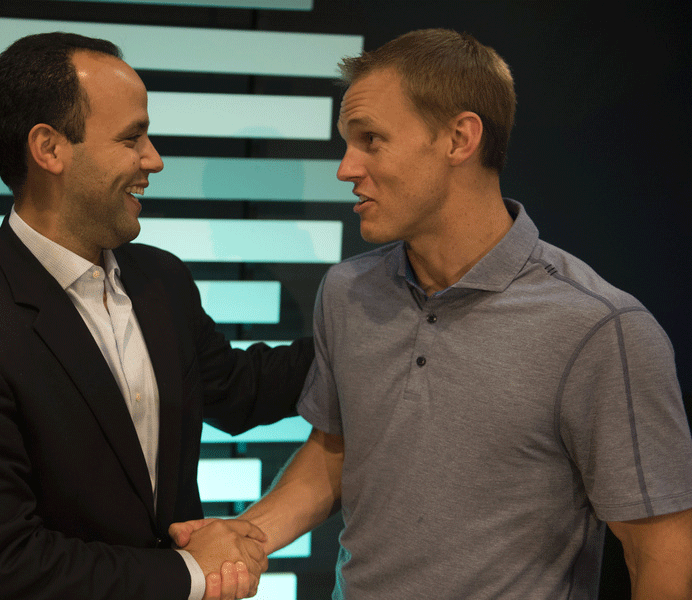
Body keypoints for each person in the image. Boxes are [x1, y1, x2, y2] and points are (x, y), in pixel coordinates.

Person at [172, 28, 692, 598]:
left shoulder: (600, 328)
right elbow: (336, 451)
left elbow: (659, 549)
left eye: (371, 139)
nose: (346, 168)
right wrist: (245, 535)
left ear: (459, 138)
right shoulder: (347, 291)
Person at [0, 32, 313, 600]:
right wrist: (193, 573)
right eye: (131, 137)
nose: (154, 159)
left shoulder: (160, 280)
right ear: (49, 148)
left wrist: (365, 333)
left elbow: (236, 391)